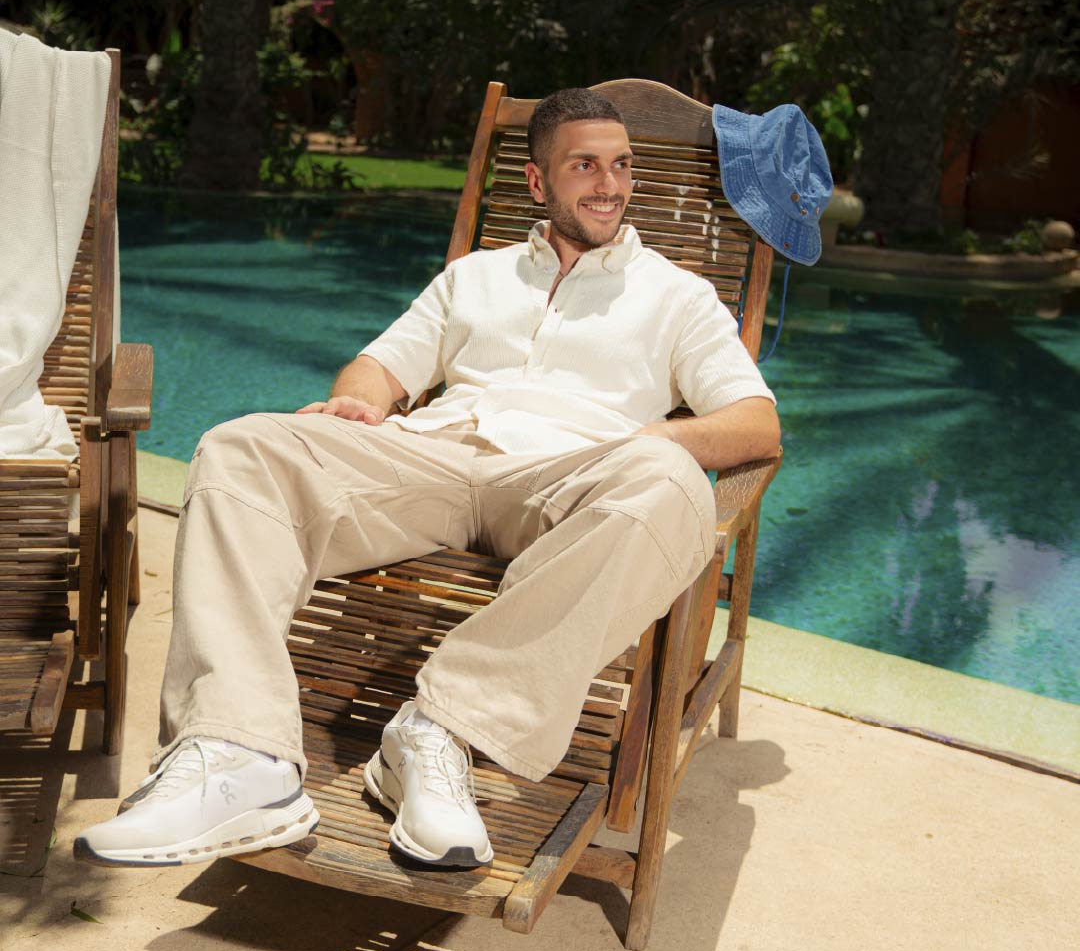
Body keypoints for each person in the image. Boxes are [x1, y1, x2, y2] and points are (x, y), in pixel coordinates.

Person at [74, 88, 779, 872]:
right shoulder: (473, 277)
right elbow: (379, 367)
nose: (609, 185)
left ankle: (439, 728)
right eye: (585, 165)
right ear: (538, 182)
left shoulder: (676, 296)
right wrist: (358, 401)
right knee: (241, 448)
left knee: (670, 481)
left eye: (622, 165)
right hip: (433, 456)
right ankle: (241, 755)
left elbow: (756, 423)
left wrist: (649, 440)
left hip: (569, 478)